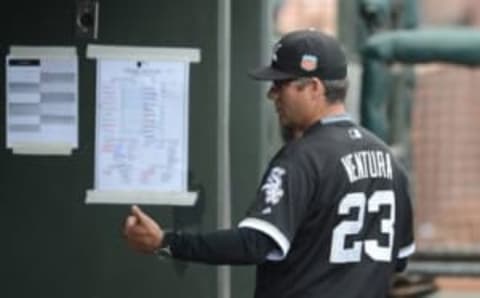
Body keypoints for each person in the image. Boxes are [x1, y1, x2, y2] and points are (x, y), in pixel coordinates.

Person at [123, 29, 415, 298]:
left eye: (281, 84)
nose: (272, 94)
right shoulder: (388, 160)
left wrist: (167, 241)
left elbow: (255, 243)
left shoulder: (302, 158)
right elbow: (398, 258)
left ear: (314, 87)